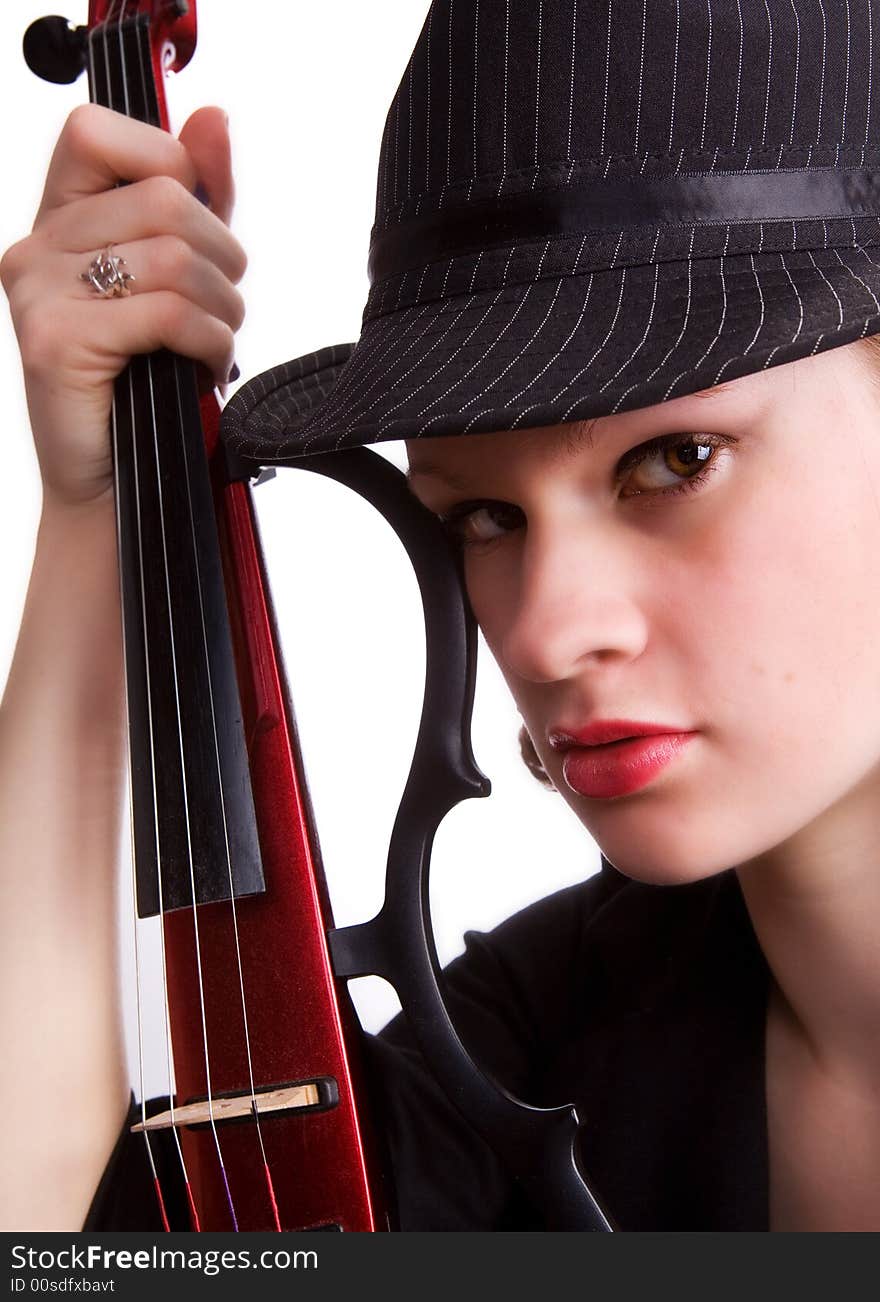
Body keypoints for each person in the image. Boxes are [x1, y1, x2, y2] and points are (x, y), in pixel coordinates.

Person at [4, 0, 880, 1232]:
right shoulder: (525, 1056)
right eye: (482, 519)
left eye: (676, 460)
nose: (542, 635)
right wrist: (93, 519)